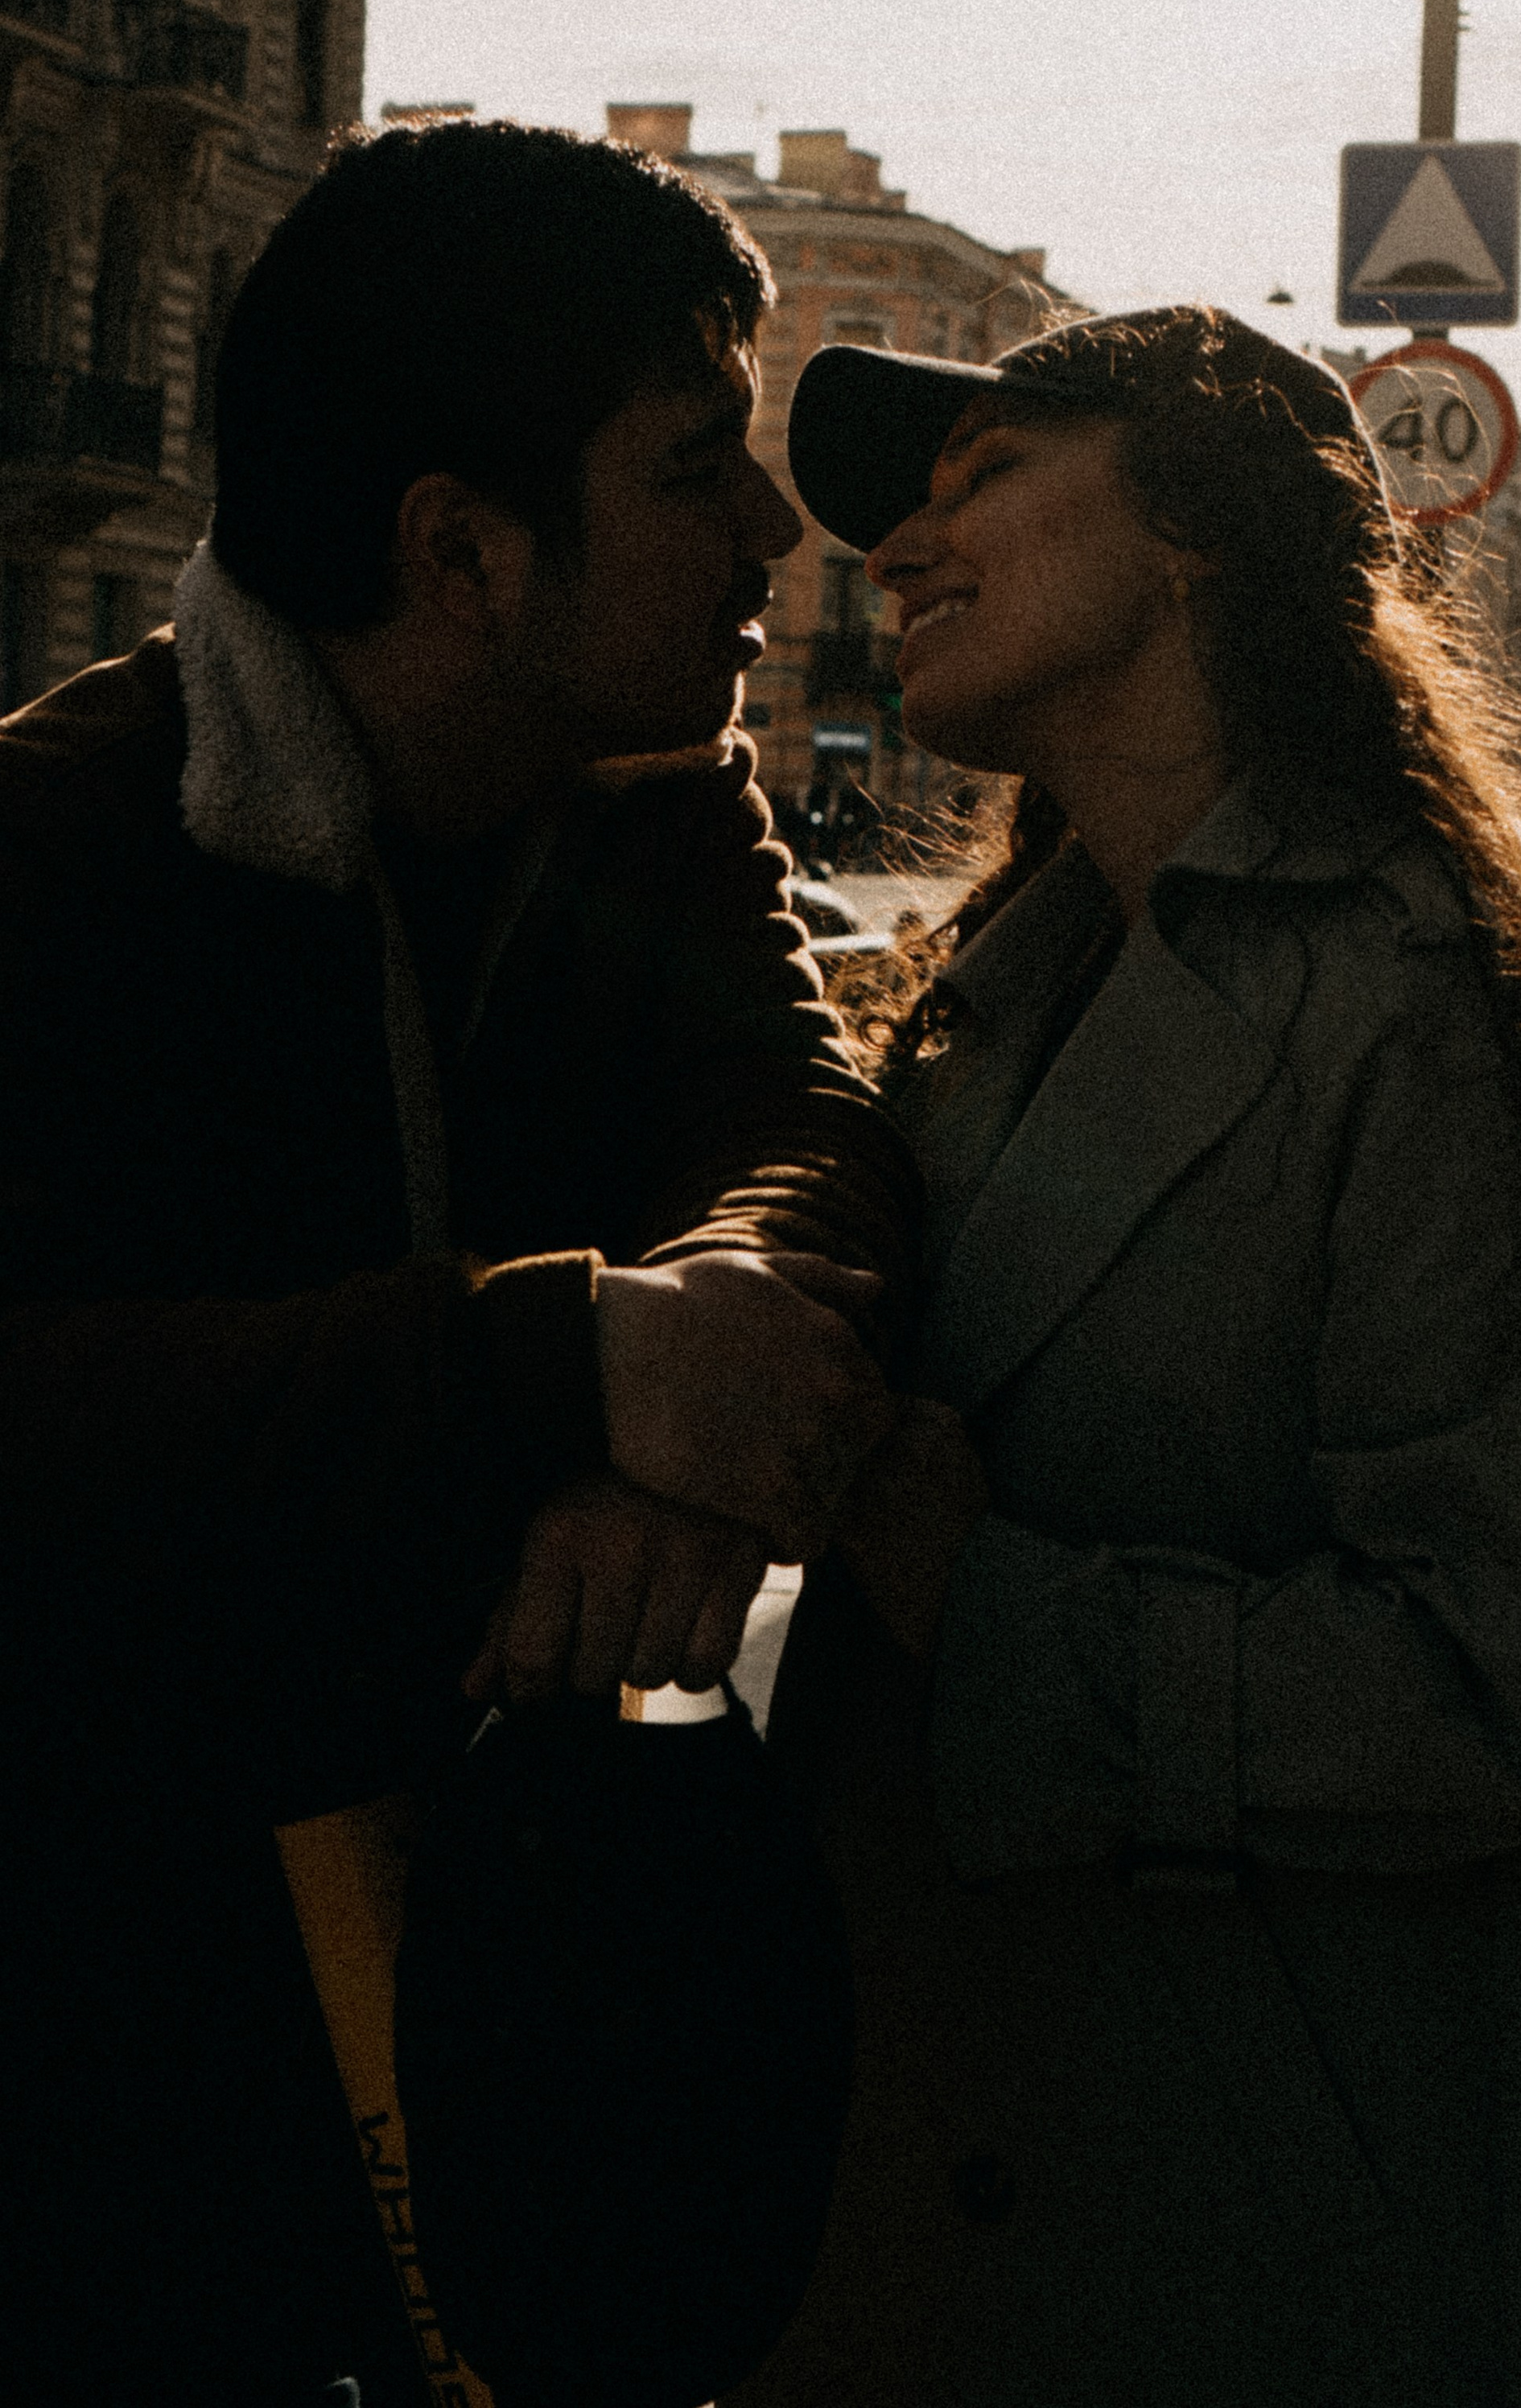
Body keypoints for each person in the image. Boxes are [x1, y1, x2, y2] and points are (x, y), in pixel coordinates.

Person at [740, 307, 1521, 2408]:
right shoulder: (1007, 983)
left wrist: (997, 1611)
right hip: (997, 2127)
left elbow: (1517, 1658)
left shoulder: (1408, 1011)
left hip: (1290, 2175)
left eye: (986, 478)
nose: (901, 551)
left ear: (1199, 532)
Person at [0, 120, 919, 2407]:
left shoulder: (646, 797)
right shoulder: (59, 857)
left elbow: (797, 1132)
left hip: (471, 1981)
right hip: (90, 2042)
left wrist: (671, 1406)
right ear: (463, 552)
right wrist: (553, 1365)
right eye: (700, 469)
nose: (777, 536)